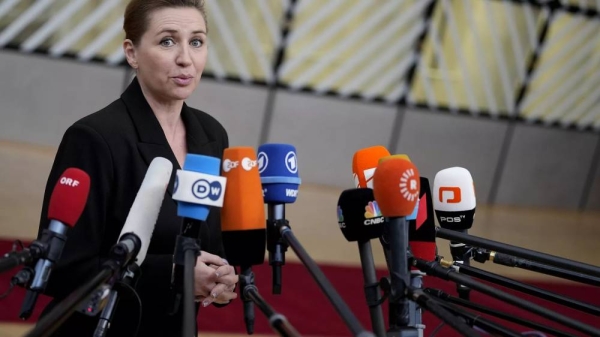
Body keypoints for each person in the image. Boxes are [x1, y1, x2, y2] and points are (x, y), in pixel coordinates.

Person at [36, 0, 238, 336]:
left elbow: (210, 244)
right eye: (167, 41)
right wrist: (175, 273)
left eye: (197, 41)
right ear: (132, 53)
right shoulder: (95, 137)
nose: (185, 58)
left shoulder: (212, 136)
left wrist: (221, 275)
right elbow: (61, 268)